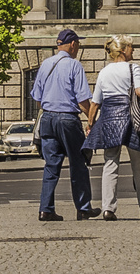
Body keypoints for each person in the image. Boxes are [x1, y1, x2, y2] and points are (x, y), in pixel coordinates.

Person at [83, 34, 140, 220]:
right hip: (132, 119)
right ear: (123, 50)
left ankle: (108, 208)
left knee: (110, 163)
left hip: (109, 118)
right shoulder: (134, 68)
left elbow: (95, 103)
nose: (133, 50)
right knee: (138, 165)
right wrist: (138, 88)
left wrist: (90, 124)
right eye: (131, 47)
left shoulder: (104, 72)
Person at [31, 28, 97, 222]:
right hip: (68, 119)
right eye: (78, 45)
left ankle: (46, 209)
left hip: (48, 119)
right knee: (78, 163)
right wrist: (92, 120)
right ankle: (83, 208)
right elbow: (83, 99)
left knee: (51, 166)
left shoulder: (45, 64)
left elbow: (37, 98)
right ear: (73, 44)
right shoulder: (74, 66)